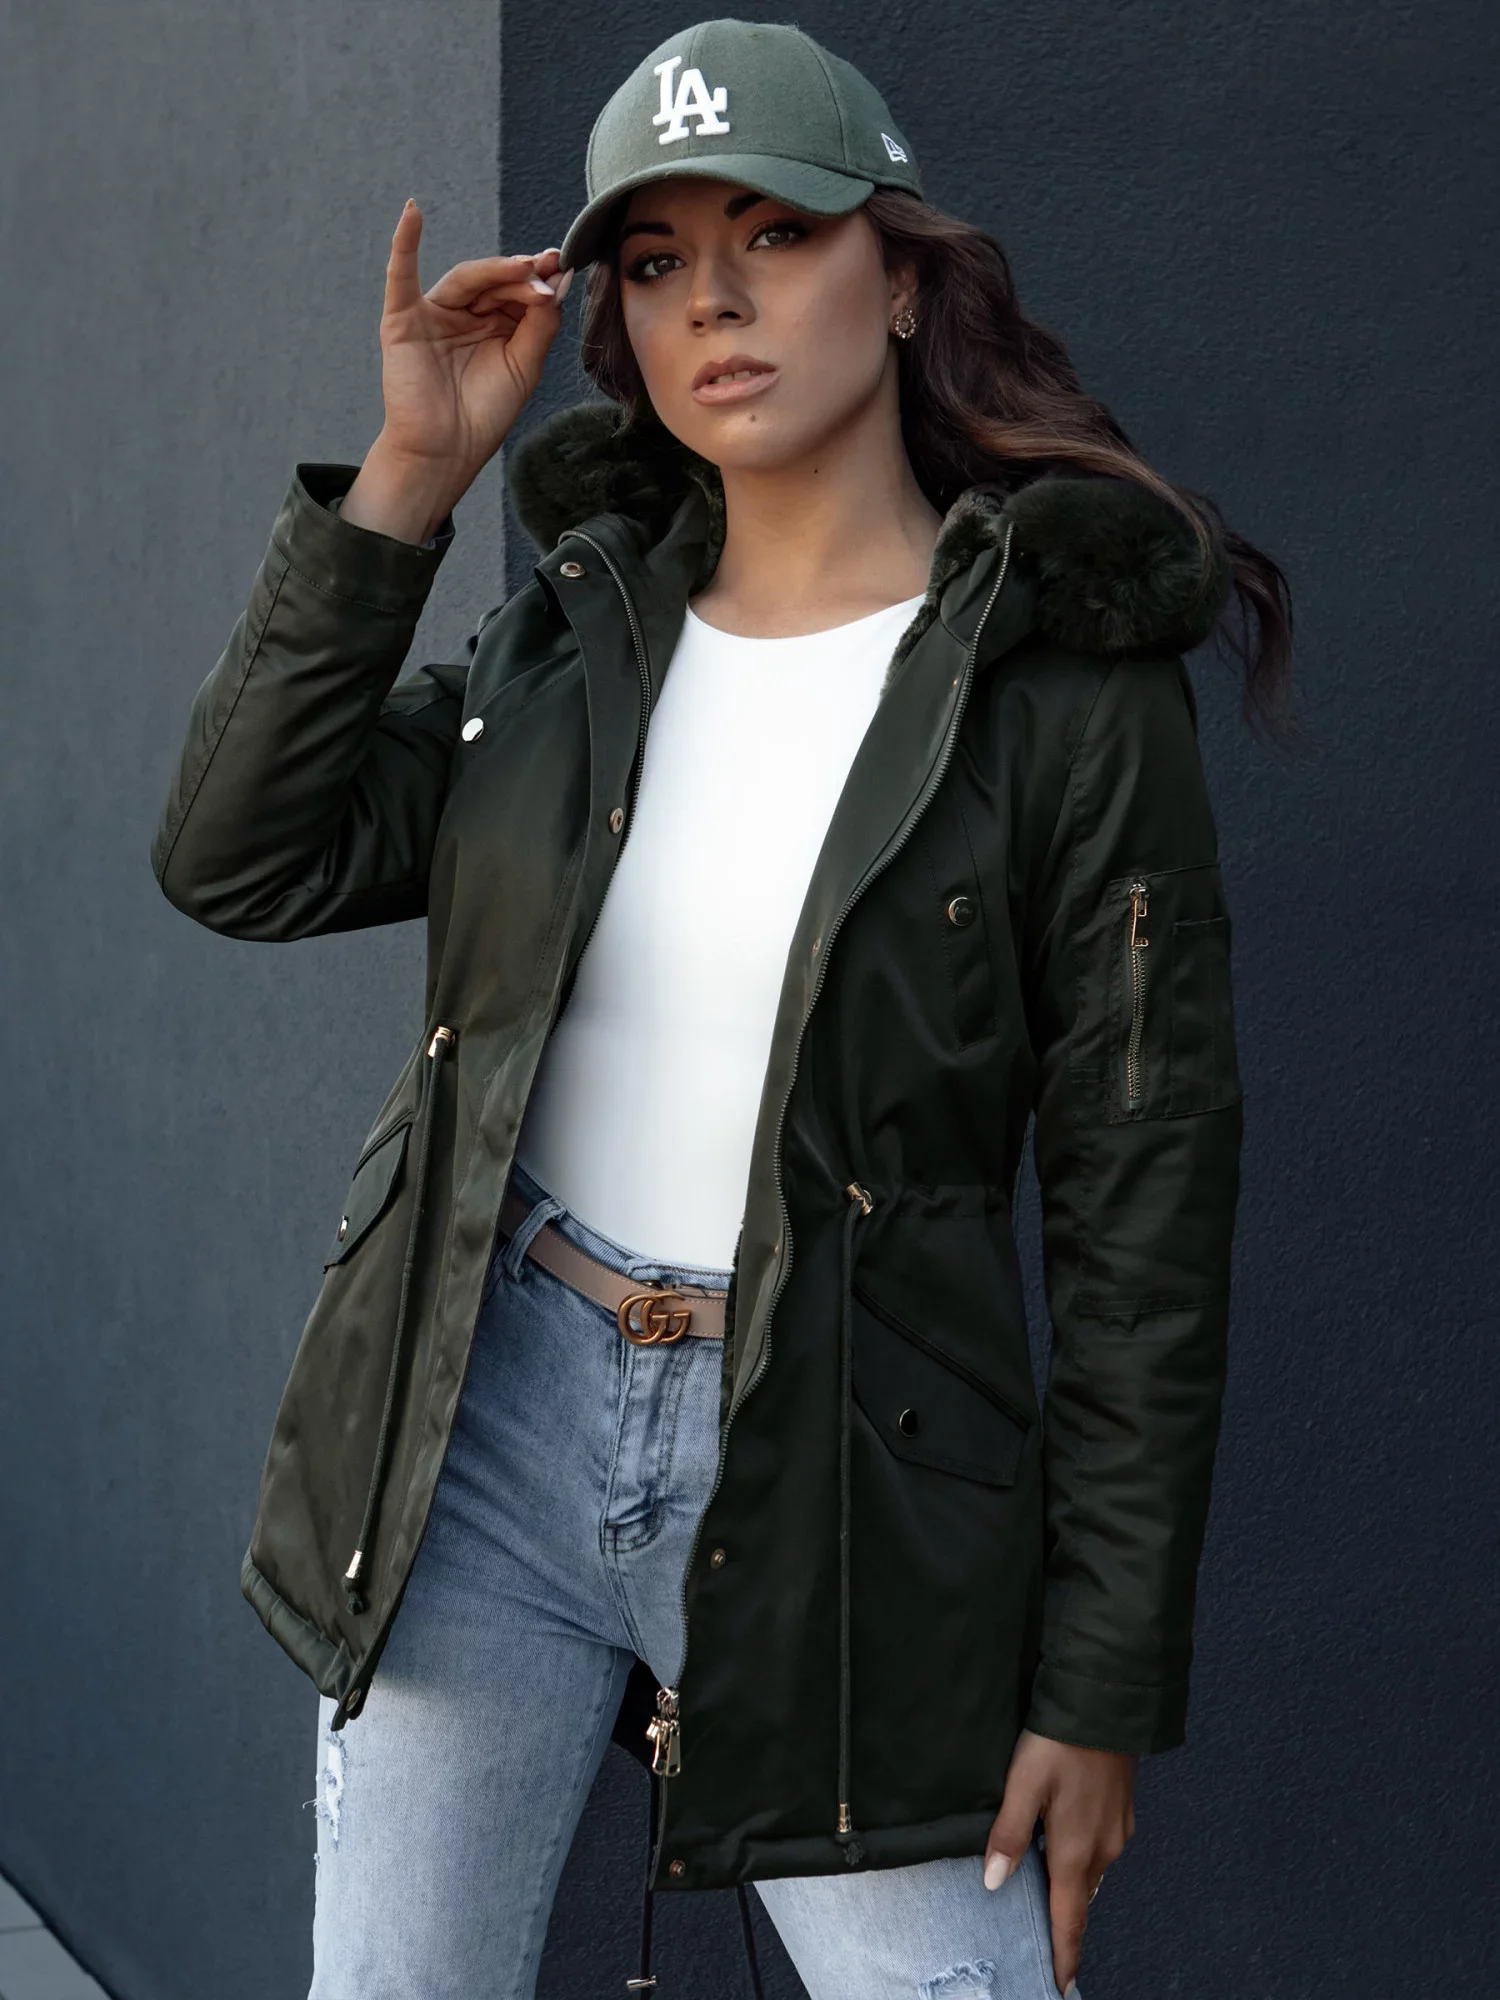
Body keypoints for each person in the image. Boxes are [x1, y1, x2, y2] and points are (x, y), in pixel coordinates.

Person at [151, 19, 1291, 2000]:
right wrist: (411, 480)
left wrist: (1098, 1686)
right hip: (485, 1421)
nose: (715, 301)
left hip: (839, 1462)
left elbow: (1146, 1214)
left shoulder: (1063, 698)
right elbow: (240, 856)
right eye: (660, 260)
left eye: (775, 233)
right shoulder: (576, 635)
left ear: (904, 275)